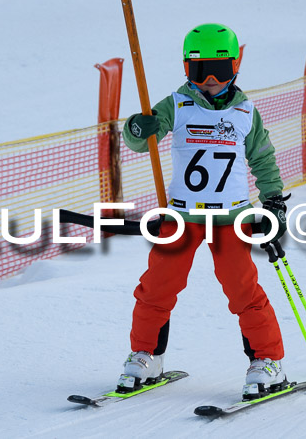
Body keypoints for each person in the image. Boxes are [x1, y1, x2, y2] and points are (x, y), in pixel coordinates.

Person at [117, 23, 290, 399]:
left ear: (235, 67)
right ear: (187, 69)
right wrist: (137, 127)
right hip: (182, 216)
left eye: (219, 70)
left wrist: (274, 201)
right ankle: (147, 355)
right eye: (200, 71)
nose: (210, 81)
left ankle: (267, 361)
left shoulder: (246, 111)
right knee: (157, 287)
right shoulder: (176, 105)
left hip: (231, 217)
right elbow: (139, 140)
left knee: (242, 290)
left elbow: (263, 159)